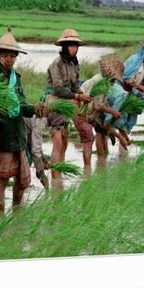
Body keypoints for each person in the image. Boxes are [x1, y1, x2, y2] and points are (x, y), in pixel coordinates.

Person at [0, 27, 42, 212]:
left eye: (13, 56)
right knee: (1, 178)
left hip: (18, 133)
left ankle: (17, 212)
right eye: (5, 55)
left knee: (22, 178)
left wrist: (35, 109)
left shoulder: (15, 78)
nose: (9, 59)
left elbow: (22, 104)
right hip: (2, 134)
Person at [44, 29, 92, 177]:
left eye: (75, 46)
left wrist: (81, 94)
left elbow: (75, 84)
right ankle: (55, 178)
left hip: (66, 105)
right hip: (55, 103)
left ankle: (59, 178)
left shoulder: (74, 64)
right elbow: (58, 89)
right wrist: (77, 95)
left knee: (64, 143)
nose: (73, 48)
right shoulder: (56, 64)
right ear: (64, 46)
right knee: (57, 143)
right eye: (70, 46)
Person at [122, 40, 144, 136]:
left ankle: (123, 144)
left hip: (135, 95)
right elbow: (126, 78)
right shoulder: (134, 60)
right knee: (122, 121)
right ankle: (121, 145)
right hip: (124, 94)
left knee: (131, 122)